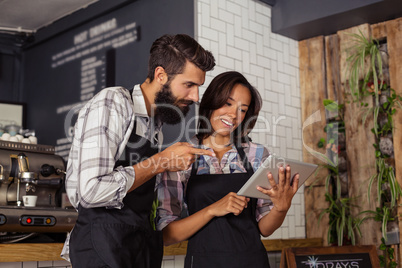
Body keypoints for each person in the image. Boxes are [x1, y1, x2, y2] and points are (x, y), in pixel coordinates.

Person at [61, 34, 216, 268]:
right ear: (161, 75)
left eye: (198, 87)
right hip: (104, 245)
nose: (195, 97)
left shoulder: (155, 125)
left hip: (138, 245)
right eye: (189, 85)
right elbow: (90, 191)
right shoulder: (113, 102)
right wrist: (161, 162)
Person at [156, 71, 300, 267]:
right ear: (212, 102)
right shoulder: (182, 155)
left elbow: (265, 228)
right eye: (228, 103)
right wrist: (213, 210)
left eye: (242, 110)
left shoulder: (257, 154)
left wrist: (281, 208)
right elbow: (167, 234)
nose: (233, 115)